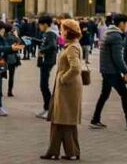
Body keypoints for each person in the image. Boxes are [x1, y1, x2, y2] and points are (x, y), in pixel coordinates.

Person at [90, 13, 127, 130]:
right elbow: (117, 57)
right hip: (111, 71)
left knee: (104, 94)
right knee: (124, 94)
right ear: (121, 24)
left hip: (106, 70)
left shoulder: (109, 32)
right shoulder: (116, 36)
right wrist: (126, 72)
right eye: (126, 24)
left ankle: (95, 119)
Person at [42, 19, 84, 161]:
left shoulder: (72, 47)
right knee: (59, 119)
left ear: (67, 31)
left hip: (68, 88)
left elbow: (76, 68)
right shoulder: (71, 45)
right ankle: (55, 151)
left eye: (62, 29)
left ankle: (71, 152)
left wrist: (63, 79)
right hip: (67, 87)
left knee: (65, 120)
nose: (60, 31)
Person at [35, 15, 59, 119]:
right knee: (43, 85)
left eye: (40, 25)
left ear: (44, 24)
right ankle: (46, 108)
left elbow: (53, 46)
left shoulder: (50, 33)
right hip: (46, 61)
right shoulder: (47, 33)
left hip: (47, 61)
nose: (39, 27)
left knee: (44, 85)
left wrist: (42, 50)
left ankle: (49, 109)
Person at [5, 25, 23, 98]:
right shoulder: (13, 37)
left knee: (0, 75)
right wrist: (16, 36)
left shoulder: (4, 36)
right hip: (12, 57)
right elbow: (19, 43)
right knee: (11, 75)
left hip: (4, 56)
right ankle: (9, 91)